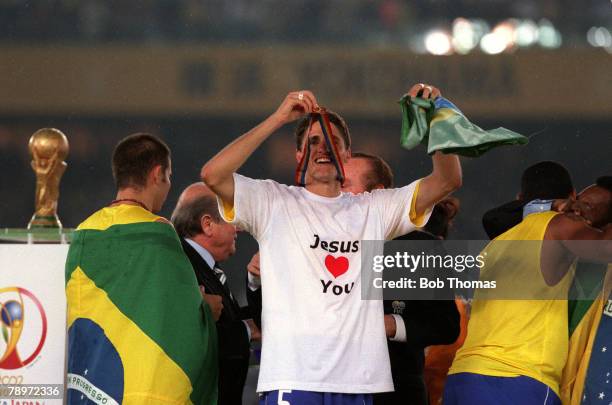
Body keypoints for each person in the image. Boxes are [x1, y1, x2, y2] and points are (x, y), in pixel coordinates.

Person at [201, 84, 462, 404]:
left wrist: (437, 120)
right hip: (293, 377)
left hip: (360, 384)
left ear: (346, 154)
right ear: (298, 155)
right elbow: (213, 174)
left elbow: (448, 181)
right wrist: (276, 119)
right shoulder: (272, 202)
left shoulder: (374, 209)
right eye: (312, 142)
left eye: (333, 142)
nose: (322, 148)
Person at [65, 133, 218, 405]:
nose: (168, 185)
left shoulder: (83, 233)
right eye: (169, 176)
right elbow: (182, 313)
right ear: (157, 174)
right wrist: (207, 307)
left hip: (94, 386)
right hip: (144, 391)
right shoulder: (157, 232)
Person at [445, 163, 612, 405]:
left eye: (588, 210)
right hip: (516, 378)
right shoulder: (558, 226)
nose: (578, 213)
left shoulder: (501, 240)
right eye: (580, 205)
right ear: (570, 196)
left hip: (464, 377)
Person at [171, 182, 261, 405]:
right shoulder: (180, 266)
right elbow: (191, 340)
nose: (238, 227)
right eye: (230, 216)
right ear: (208, 224)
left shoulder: (202, 265)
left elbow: (228, 319)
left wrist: (254, 282)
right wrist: (247, 330)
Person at [560, 176, 612, 405]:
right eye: (578, 200)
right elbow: (495, 219)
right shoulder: (555, 239)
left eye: (588, 206)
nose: (576, 208)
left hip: (581, 387)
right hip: (543, 376)